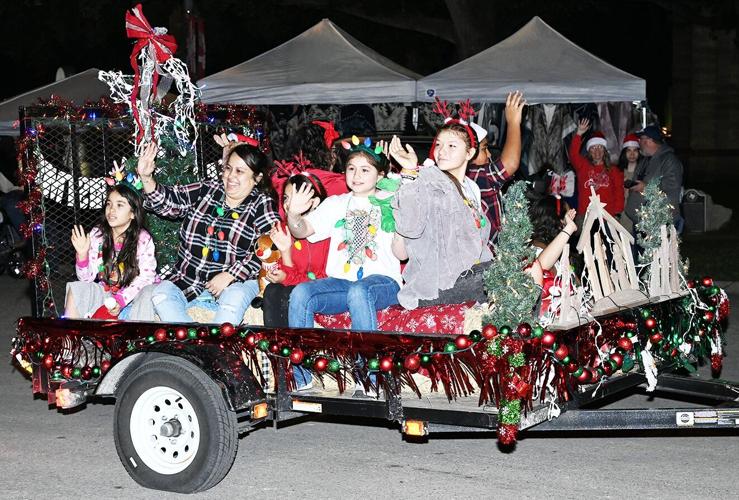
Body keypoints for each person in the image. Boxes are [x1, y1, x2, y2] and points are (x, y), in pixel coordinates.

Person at [388, 93, 525, 310]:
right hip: (438, 286)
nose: (442, 151)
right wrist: (408, 174)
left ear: (469, 152)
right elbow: (408, 233)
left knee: (522, 272)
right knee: (505, 273)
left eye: (452, 146)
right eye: (439, 145)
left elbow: (479, 248)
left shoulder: (470, 190)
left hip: (465, 279)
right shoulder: (427, 180)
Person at [136, 140, 280, 324]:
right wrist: (146, 177)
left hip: (237, 282)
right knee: (161, 295)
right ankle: (194, 346)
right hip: (189, 278)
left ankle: (215, 345)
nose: (230, 176)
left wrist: (231, 275)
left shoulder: (261, 204)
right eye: (228, 168)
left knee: (233, 300)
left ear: (257, 178)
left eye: (240, 171)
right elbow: (169, 202)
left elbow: (270, 249)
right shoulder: (207, 190)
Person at [285, 141, 401, 331]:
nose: (356, 175)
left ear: (380, 175)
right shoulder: (336, 203)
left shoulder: (392, 201)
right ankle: (302, 359)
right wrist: (294, 215)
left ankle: (363, 360)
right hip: (343, 284)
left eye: (365, 170)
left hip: (384, 283)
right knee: (301, 293)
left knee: (359, 291)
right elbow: (301, 231)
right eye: (351, 168)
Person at [262, 168, 347, 327]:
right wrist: (285, 251)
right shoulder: (283, 229)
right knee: (273, 291)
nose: (288, 204)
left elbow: (322, 278)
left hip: (324, 289)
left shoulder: (328, 230)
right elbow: (285, 274)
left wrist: (287, 278)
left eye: (295, 199)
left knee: (290, 293)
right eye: (286, 198)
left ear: (315, 202)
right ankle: (279, 349)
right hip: (296, 287)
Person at [64, 184, 156, 320]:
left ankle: (136, 339)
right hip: (107, 294)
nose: (111, 210)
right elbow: (86, 279)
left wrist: (121, 300)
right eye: (109, 204)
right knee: (76, 288)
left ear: (132, 213)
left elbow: (146, 278)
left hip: (133, 297)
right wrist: (82, 255)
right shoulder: (98, 234)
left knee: (148, 293)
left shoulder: (143, 239)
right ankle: (71, 337)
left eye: (119, 205)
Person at [465, 92, 525, 247]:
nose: (489, 154)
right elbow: (509, 164)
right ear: (468, 153)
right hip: (483, 260)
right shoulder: (473, 176)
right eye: (485, 149)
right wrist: (513, 123)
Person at [525, 195, 578, 318]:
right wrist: (568, 229)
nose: (570, 220)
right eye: (566, 217)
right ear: (556, 221)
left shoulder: (560, 252)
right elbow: (540, 265)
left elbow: (576, 287)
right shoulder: (534, 249)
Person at [625, 125, 684, 230]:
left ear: (649, 141)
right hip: (641, 223)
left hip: (658, 225)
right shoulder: (646, 160)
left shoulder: (670, 161)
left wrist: (645, 188)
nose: (638, 142)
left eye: (640, 139)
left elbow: (672, 193)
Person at [569, 119, 624, 218]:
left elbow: (619, 192)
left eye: (600, 147)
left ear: (605, 150)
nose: (597, 151)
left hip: (607, 216)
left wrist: (617, 212)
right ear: (589, 151)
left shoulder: (613, 170)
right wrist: (578, 134)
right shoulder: (583, 166)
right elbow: (573, 154)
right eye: (593, 147)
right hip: (585, 215)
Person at [617, 133, 641, 232]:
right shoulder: (618, 172)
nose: (632, 154)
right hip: (622, 214)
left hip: (639, 214)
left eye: (635, 150)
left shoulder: (644, 172)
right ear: (624, 153)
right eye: (629, 150)